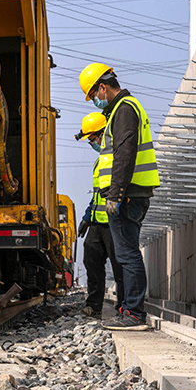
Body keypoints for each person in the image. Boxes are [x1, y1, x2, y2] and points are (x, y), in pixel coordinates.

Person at [79, 63, 159, 330]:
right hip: (132, 193)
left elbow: (125, 154)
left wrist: (116, 194)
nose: (95, 101)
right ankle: (130, 309)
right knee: (127, 254)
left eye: (93, 95)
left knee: (127, 255)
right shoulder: (125, 109)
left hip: (128, 194)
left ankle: (135, 314)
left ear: (103, 87)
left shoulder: (124, 110)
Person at [75, 112, 125, 319]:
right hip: (98, 222)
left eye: (93, 139)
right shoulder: (100, 161)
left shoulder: (120, 156)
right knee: (91, 260)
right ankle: (94, 305)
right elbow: (97, 196)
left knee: (120, 265)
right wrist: (87, 218)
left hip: (115, 221)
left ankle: (124, 307)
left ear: (103, 133)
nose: (92, 143)